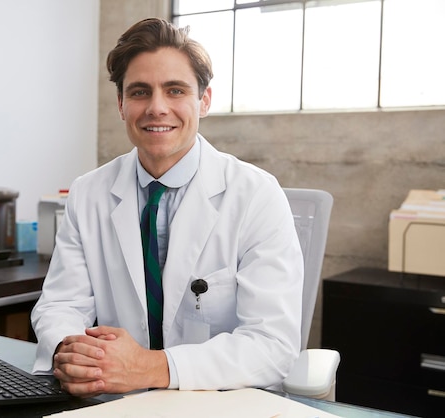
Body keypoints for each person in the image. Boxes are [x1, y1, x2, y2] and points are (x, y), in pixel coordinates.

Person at [30, 17, 303, 398]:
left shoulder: (256, 195)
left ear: (203, 101)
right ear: (121, 104)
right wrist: (71, 352)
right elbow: (61, 304)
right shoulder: (88, 193)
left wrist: (149, 367)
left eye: (175, 90)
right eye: (140, 92)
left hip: (221, 400)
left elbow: (272, 344)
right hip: (116, 400)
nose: (157, 108)